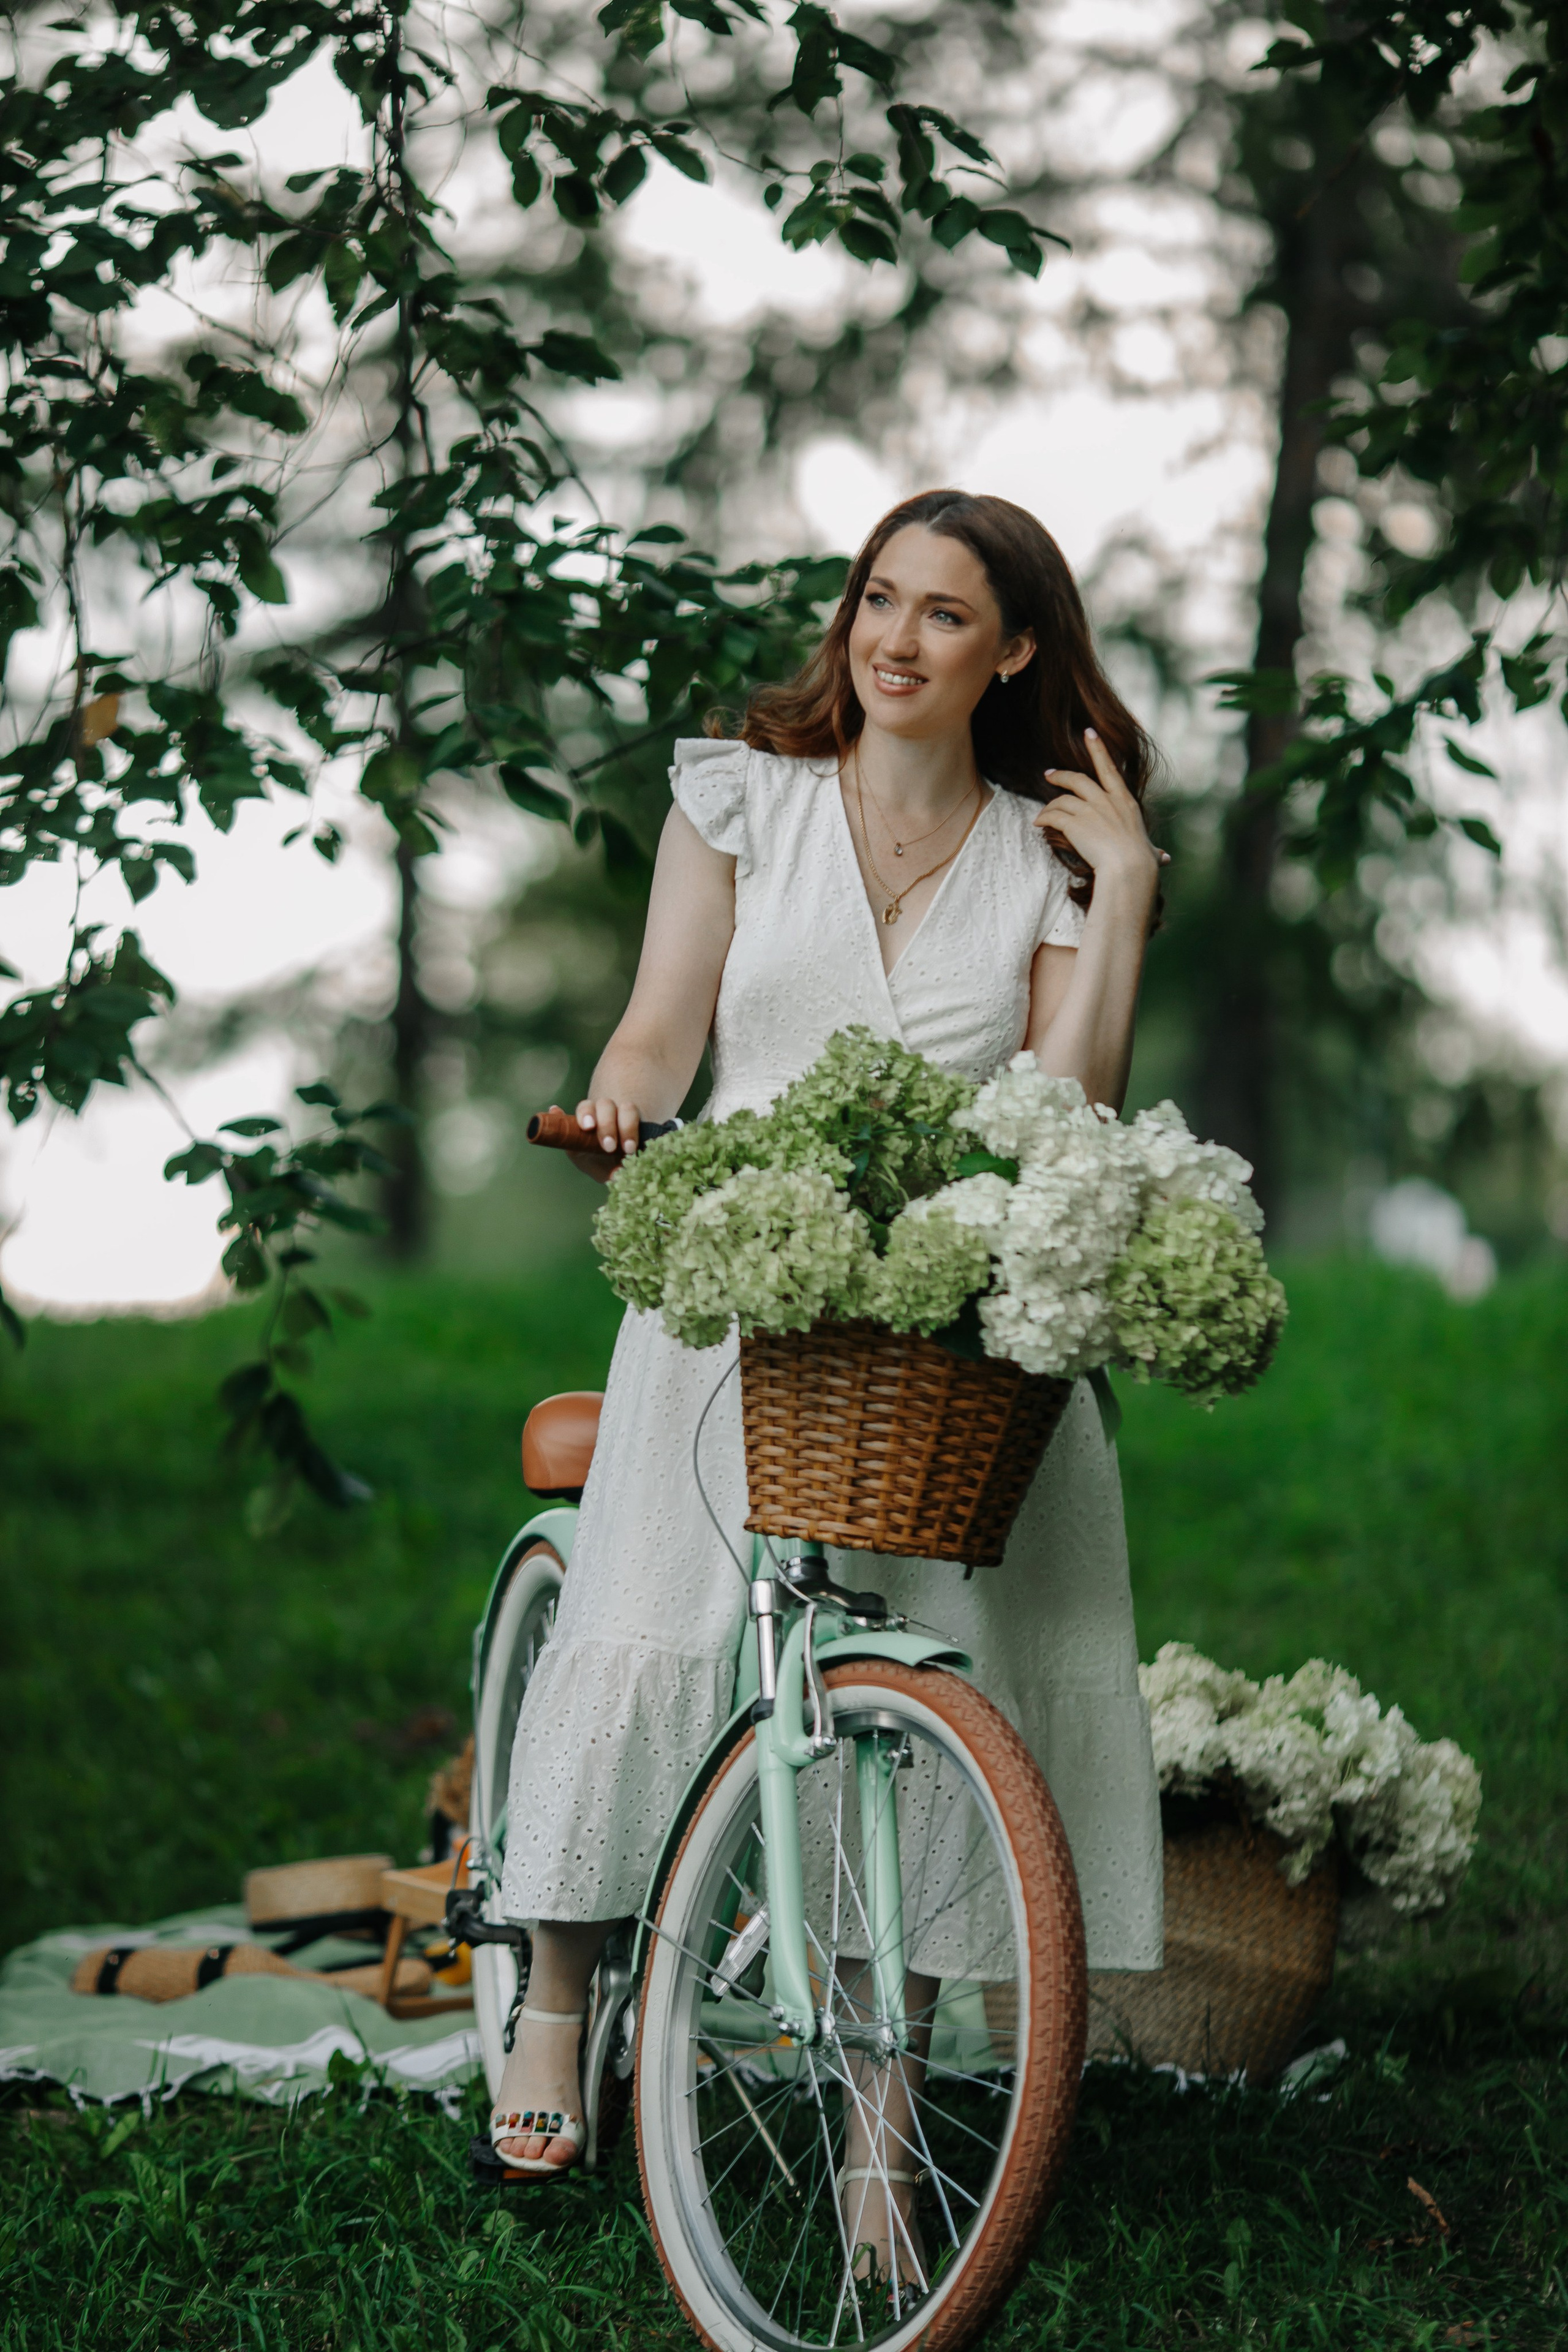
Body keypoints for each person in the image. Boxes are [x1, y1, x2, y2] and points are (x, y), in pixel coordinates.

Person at [491, 489, 1169, 2268]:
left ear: (1013, 650)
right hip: (745, 1295)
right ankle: (556, 1997)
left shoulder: (1046, 856)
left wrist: (1128, 899)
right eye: (880, 599)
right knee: (648, 1617)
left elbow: (1069, 1113)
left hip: (940, 1325)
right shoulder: (743, 801)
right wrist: (632, 1098)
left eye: (947, 616)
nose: (895, 640)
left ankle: (885, 2132)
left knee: (935, 1702)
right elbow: (661, 1020)